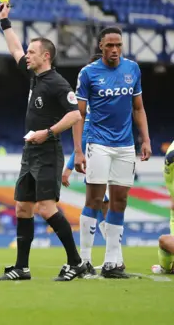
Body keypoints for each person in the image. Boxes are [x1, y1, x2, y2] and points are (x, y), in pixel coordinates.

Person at [0, 2, 87, 282]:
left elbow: (75, 115)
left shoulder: (57, 84)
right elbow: (14, 50)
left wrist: (47, 132)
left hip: (47, 150)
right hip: (29, 150)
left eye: (32, 52)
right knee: (22, 207)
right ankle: (22, 267)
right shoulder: (35, 77)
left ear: (46, 56)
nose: (27, 56)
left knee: (46, 209)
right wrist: (5, 22)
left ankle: (76, 262)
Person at [73, 26, 152, 279]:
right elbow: (79, 114)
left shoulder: (133, 69)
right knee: (94, 201)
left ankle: (111, 263)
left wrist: (146, 139)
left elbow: (138, 108)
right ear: (100, 46)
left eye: (118, 45)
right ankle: (84, 260)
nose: (115, 49)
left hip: (126, 145)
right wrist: (77, 150)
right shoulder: (88, 73)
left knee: (120, 202)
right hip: (98, 143)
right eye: (109, 45)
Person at [61, 53, 112, 257]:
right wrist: (70, 165)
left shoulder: (95, 103)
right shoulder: (93, 104)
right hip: (105, 155)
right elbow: (85, 136)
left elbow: (86, 136)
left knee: (101, 203)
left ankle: (106, 255)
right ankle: (110, 255)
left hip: (106, 155)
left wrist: (68, 167)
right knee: (102, 203)